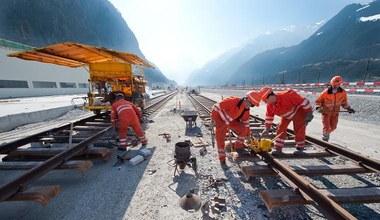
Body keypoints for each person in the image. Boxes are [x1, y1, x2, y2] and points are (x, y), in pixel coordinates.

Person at [211, 91, 261, 166]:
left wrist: (247, 135)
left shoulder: (246, 109)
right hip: (220, 120)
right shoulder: (232, 101)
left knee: (243, 129)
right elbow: (216, 107)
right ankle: (222, 159)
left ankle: (238, 147)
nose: (250, 106)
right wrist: (212, 119)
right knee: (220, 139)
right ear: (246, 99)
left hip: (231, 120)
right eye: (251, 104)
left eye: (252, 105)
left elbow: (246, 124)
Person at [260, 87, 314, 154]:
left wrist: (309, 113)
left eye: (265, 100)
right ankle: (278, 148)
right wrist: (267, 128)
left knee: (299, 130)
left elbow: (304, 101)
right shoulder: (270, 105)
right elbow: (269, 116)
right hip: (286, 116)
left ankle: (300, 148)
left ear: (270, 97)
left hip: (298, 113)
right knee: (280, 129)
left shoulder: (287, 95)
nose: (265, 102)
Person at [315, 75, 355, 142]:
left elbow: (344, 102)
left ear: (339, 84)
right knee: (327, 127)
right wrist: (318, 108)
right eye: (333, 84)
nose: (335, 86)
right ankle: (325, 140)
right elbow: (318, 101)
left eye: (337, 84)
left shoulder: (343, 92)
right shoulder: (325, 92)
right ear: (331, 83)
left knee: (333, 127)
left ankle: (326, 133)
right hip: (326, 113)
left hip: (335, 113)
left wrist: (348, 108)